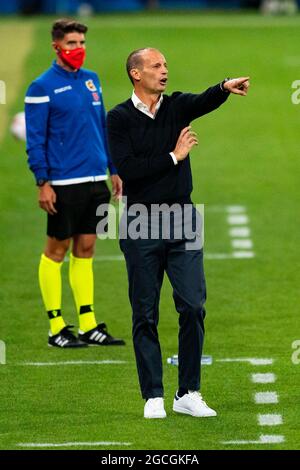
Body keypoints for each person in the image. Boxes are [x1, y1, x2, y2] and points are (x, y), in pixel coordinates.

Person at [107, 47, 249, 418]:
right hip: (140, 220)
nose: (164, 70)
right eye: (156, 65)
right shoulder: (118, 118)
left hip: (182, 217)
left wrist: (224, 87)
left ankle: (188, 392)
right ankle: (153, 394)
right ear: (136, 74)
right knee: (144, 311)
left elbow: (203, 100)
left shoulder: (176, 106)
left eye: (166, 64)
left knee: (193, 305)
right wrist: (174, 156)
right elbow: (129, 169)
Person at [25, 19, 125, 348]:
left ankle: (88, 324)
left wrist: (113, 169)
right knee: (56, 251)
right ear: (56, 46)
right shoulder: (41, 87)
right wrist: (43, 182)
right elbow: (35, 139)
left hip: (96, 179)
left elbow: (102, 128)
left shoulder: (92, 81)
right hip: (64, 182)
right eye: (71, 43)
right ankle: (56, 327)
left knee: (87, 249)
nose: (78, 49)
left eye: (81, 43)